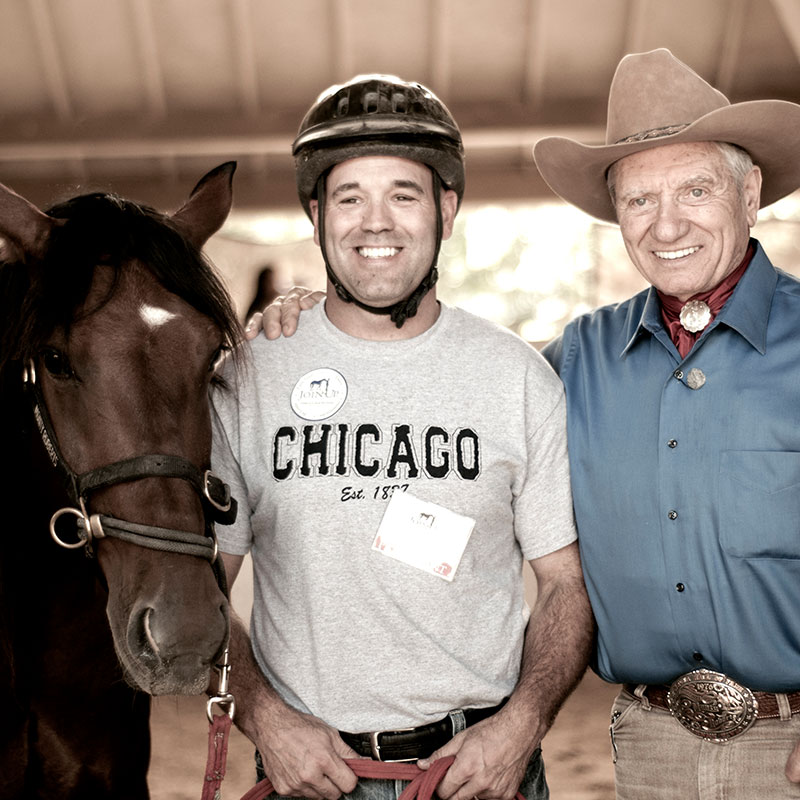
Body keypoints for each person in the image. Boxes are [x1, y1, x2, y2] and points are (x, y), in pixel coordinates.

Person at [211, 74, 594, 800]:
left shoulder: (516, 378)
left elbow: (566, 585)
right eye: (349, 197)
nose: (374, 222)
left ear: (447, 210)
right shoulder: (248, 382)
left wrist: (522, 726)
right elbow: (204, 589)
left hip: (481, 770)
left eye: (403, 196)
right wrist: (264, 719)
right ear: (317, 214)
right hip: (309, 774)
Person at [532, 49, 800, 798]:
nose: (667, 223)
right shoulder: (577, 358)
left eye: (695, 189)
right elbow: (454, 394)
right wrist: (310, 324)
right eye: (639, 200)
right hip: (650, 744)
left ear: (750, 193)